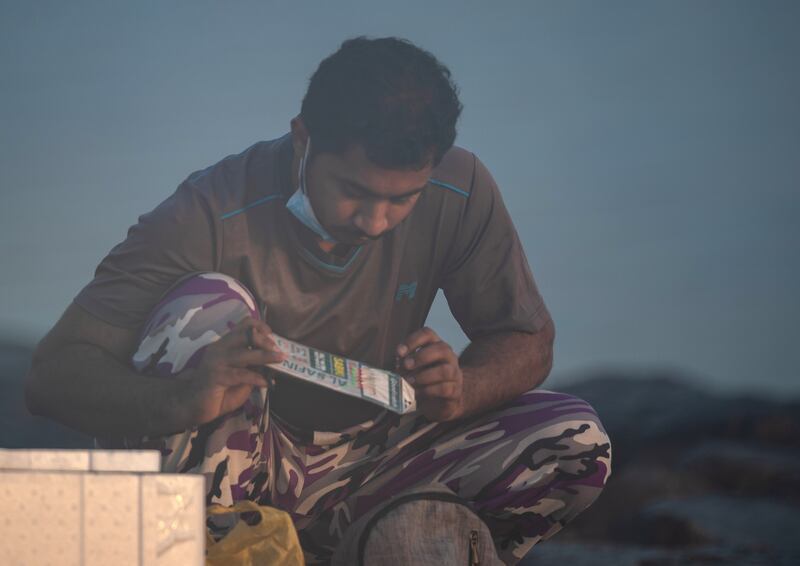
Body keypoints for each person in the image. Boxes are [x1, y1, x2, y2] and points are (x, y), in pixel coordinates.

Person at [26, 37, 611, 564]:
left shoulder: (461, 188)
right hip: (236, 465)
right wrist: (183, 399)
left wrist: (461, 389)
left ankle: (360, 539)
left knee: (576, 440)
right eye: (354, 192)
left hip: (373, 462)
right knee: (208, 309)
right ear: (303, 138)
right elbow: (52, 375)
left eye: (402, 200)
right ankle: (206, 545)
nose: (377, 221)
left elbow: (529, 340)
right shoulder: (208, 211)